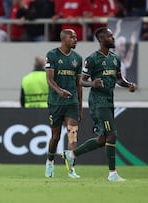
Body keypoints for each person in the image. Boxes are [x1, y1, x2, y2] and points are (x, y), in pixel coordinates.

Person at [62, 27, 136, 181]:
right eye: (110, 36)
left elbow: (118, 79)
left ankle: (71, 154)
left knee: (102, 139)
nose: (113, 39)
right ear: (101, 39)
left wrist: (128, 84)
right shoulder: (92, 59)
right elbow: (81, 80)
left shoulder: (115, 59)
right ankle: (112, 174)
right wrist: (93, 83)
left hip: (109, 101)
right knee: (112, 135)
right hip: (98, 103)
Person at [45, 29, 82, 178]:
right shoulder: (52, 55)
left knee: (72, 134)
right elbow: (49, 79)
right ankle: (50, 161)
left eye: (76, 37)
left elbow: (79, 84)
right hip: (55, 102)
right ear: (63, 39)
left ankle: (71, 168)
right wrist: (60, 91)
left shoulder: (78, 58)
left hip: (72, 102)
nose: (75, 39)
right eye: (72, 37)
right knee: (56, 137)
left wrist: (80, 106)